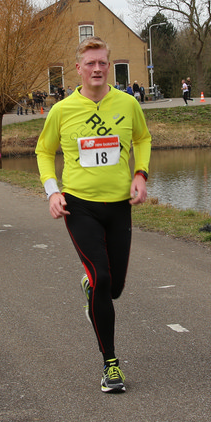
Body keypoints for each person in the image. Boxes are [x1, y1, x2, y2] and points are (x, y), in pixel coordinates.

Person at [35, 36, 152, 394]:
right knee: (101, 276)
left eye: (102, 63)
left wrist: (140, 174)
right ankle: (110, 364)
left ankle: (91, 287)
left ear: (109, 66)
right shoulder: (62, 110)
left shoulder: (128, 103)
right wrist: (53, 192)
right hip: (79, 205)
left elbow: (143, 139)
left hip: (119, 206)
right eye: (90, 64)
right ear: (78, 69)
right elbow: (43, 151)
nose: (97, 69)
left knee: (113, 288)